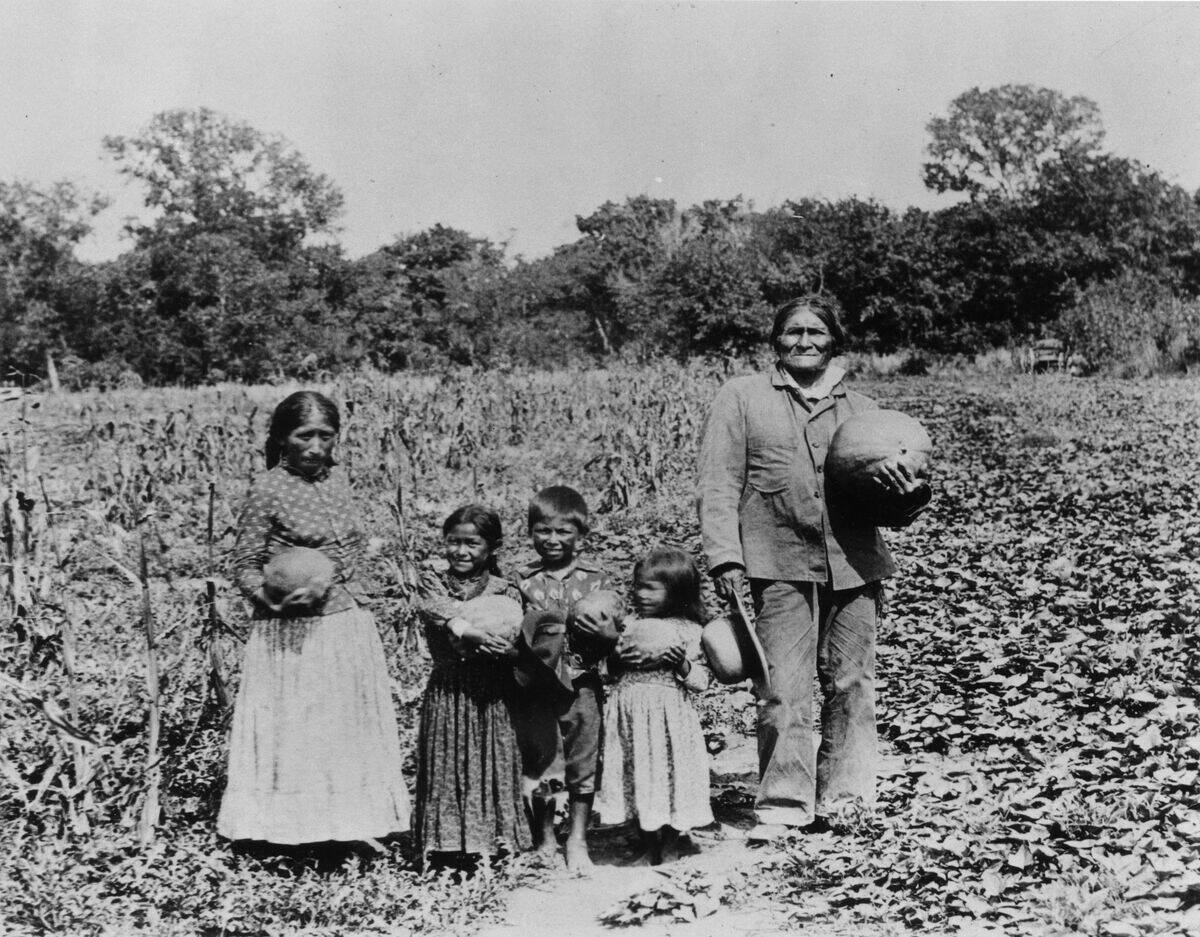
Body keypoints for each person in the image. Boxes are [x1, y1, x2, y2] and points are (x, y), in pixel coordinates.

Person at [696, 294, 927, 842]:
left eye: (815, 333)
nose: (803, 342)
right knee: (783, 688)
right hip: (775, 562)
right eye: (792, 332)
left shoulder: (866, 411)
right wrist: (725, 557)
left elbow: (896, 510)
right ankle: (783, 803)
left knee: (851, 682)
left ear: (834, 342)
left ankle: (846, 798)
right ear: (776, 341)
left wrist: (911, 496)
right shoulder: (743, 398)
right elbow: (718, 483)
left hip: (856, 565)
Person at [219, 391, 410, 846]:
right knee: (303, 730)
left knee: (344, 727)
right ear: (283, 438)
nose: (316, 446)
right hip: (293, 630)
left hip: (345, 622)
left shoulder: (338, 480)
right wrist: (272, 598)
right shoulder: (267, 489)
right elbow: (242, 563)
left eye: (326, 436)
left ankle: (348, 828)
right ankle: (296, 835)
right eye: (305, 435)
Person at [412, 505, 531, 867]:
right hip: (449, 686)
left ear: (491, 547)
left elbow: (517, 632)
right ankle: (445, 847)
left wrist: (507, 650)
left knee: (490, 758)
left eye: (472, 543)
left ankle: (492, 842)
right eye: (453, 542)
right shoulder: (433, 580)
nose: (461, 551)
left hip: (491, 690)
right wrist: (471, 630)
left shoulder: (505, 588)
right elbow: (436, 609)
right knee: (447, 758)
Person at [515, 485, 620, 872]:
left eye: (563, 532)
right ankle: (545, 838)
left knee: (582, 760)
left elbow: (613, 631)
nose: (553, 539)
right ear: (531, 533)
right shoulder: (522, 581)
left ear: (581, 536)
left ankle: (577, 838)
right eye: (544, 530)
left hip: (582, 685)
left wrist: (607, 634)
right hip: (537, 687)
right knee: (542, 761)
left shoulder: (597, 582)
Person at [596, 546, 713, 865]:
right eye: (638, 586)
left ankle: (672, 842)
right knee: (635, 774)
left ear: (676, 592)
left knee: (670, 775)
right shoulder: (627, 626)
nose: (641, 594)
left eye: (651, 588)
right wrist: (616, 661)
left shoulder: (689, 631)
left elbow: (702, 682)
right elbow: (605, 674)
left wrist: (684, 666)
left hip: (668, 720)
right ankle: (646, 843)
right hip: (630, 717)